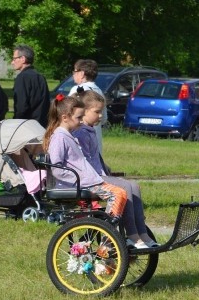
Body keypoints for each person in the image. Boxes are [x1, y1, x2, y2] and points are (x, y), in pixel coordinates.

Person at [43, 94, 133, 240]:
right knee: (117, 194)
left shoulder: (67, 135)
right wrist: (79, 179)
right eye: (78, 118)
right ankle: (108, 236)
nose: (80, 121)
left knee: (120, 193)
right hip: (79, 184)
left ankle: (107, 230)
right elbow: (57, 169)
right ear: (65, 117)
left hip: (87, 181)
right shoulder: (59, 137)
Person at [74, 90, 156, 247]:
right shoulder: (80, 132)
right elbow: (82, 160)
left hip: (98, 174)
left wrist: (105, 167)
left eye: (101, 111)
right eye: (96, 112)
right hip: (90, 178)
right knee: (125, 187)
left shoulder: (89, 130)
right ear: (83, 111)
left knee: (134, 186)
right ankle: (132, 235)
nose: (100, 116)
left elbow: (94, 156)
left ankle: (142, 233)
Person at [68, 59, 106, 148]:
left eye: (75, 71)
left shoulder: (77, 90)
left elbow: (68, 111)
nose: (73, 74)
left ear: (81, 73)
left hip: (80, 138)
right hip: (95, 138)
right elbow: (103, 119)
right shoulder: (99, 90)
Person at [12, 44, 50, 127]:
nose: (12, 62)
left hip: (26, 126)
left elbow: (21, 107)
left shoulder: (22, 78)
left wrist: (15, 124)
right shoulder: (40, 77)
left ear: (23, 59)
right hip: (42, 125)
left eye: (14, 59)